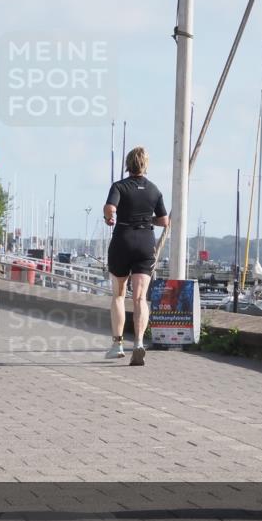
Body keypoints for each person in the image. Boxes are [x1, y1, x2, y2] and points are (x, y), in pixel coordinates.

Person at [103, 146, 169, 365]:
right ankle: (139, 342)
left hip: (123, 240)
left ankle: (117, 344)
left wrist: (109, 217)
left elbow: (109, 207)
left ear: (128, 164)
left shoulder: (119, 186)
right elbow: (163, 221)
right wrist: (146, 220)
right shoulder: (154, 190)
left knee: (119, 295)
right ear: (145, 165)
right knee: (140, 298)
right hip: (145, 242)